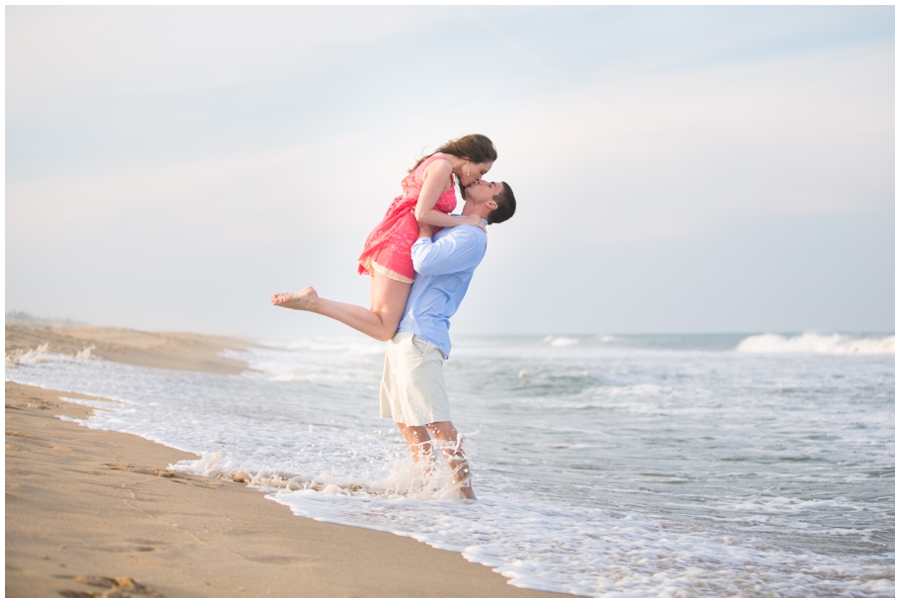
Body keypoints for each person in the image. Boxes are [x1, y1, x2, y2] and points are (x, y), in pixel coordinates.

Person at [270, 134, 497, 341]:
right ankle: (314, 302)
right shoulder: (441, 167)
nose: (480, 178)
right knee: (383, 327)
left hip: (395, 238)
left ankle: (313, 302)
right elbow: (423, 214)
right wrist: (467, 221)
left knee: (379, 320)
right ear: (468, 159)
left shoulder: (438, 163)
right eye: (482, 171)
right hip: (400, 243)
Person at [376, 179, 516, 499]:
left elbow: (424, 261)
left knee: (436, 421)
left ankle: (465, 497)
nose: (483, 180)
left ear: (491, 204)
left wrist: (425, 230)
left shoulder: (471, 235)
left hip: (422, 333)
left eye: (491, 183)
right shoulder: (456, 225)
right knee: (406, 419)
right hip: (405, 331)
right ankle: (425, 485)